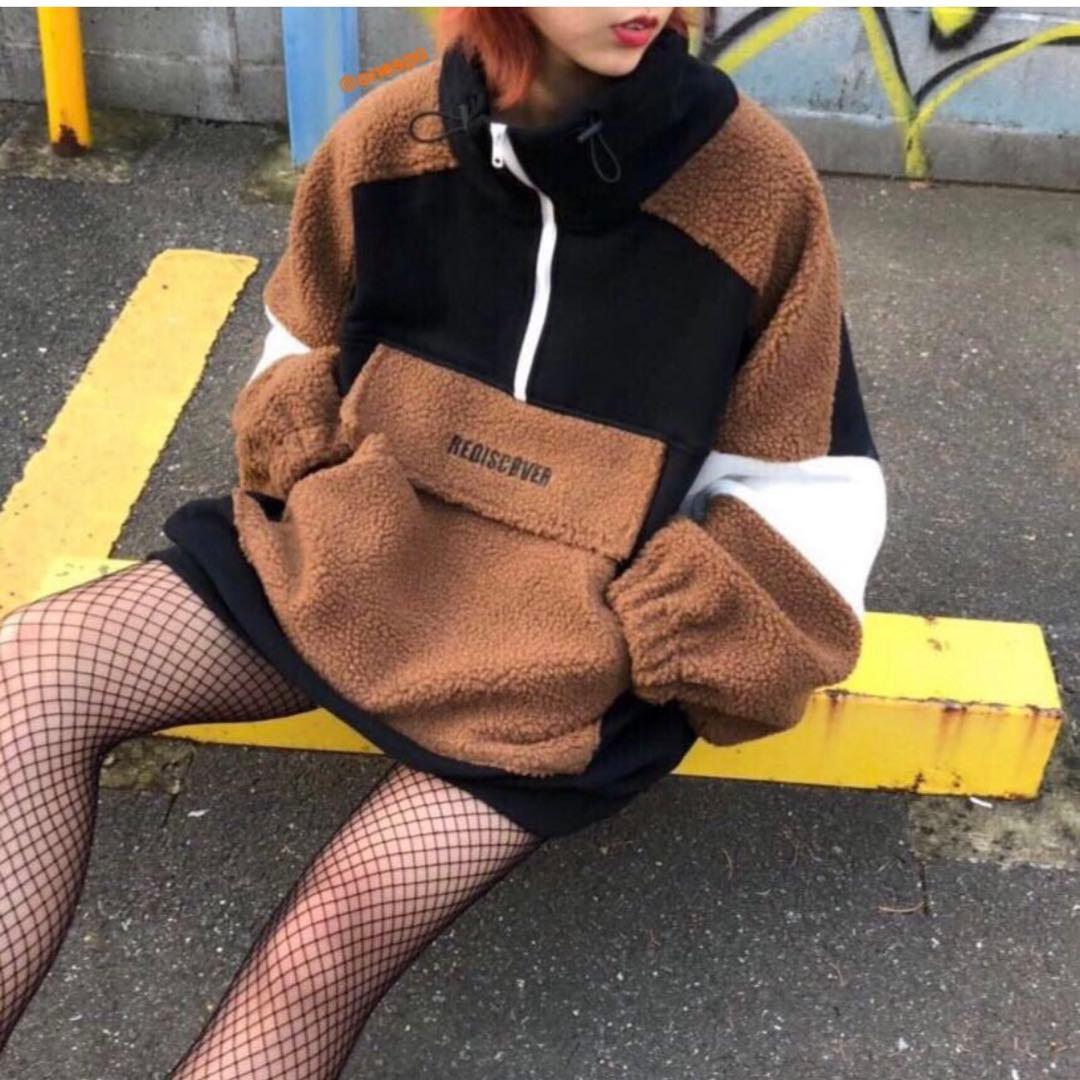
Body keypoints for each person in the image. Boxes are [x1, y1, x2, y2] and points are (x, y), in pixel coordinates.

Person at [0, 7, 887, 1077]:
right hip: (358, 550)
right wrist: (320, 476)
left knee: (333, 931)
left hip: (568, 649)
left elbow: (807, 484)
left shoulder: (755, 186)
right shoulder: (389, 136)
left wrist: (661, 629)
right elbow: (301, 343)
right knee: (32, 673)